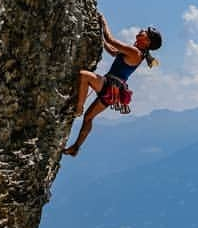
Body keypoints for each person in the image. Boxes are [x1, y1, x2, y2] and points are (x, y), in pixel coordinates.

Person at [63, 13, 162, 157]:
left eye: (144, 32)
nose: (141, 31)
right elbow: (113, 51)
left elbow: (111, 40)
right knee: (89, 118)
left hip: (109, 85)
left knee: (84, 76)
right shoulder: (137, 53)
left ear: (147, 41)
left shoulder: (135, 52)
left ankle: (78, 108)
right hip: (113, 93)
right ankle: (76, 147)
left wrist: (103, 22)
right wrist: (99, 39)